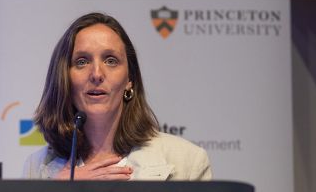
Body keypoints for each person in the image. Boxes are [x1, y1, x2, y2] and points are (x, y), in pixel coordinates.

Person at [24, 12, 211, 181]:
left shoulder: (187, 161)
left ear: (129, 79)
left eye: (111, 60)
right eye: (82, 61)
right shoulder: (37, 167)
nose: (96, 73)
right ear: (64, 78)